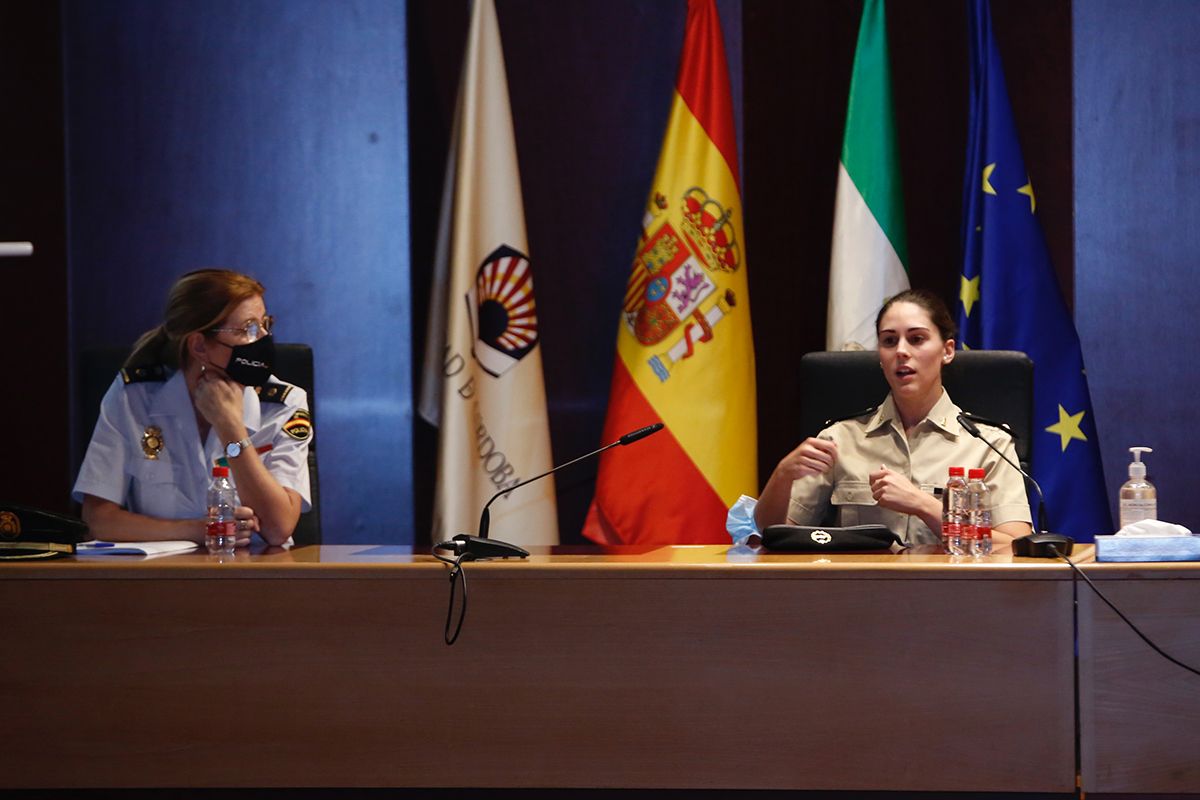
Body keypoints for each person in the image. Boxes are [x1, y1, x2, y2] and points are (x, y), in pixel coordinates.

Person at [754, 289, 1032, 547]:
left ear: (947, 351)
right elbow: (776, 534)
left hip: (954, 595)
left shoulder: (987, 444)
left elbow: (1013, 546)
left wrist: (925, 505)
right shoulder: (839, 440)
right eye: (889, 341)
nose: (901, 351)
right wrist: (782, 475)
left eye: (916, 339)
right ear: (880, 356)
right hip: (860, 594)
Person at [73, 269, 312, 547]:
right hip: (158, 581)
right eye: (247, 328)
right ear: (199, 345)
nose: (262, 339)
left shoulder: (284, 403)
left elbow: (277, 528)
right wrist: (197, 530)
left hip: (255, 580)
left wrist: (230, 428)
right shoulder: (134, 396)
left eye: (264, 325)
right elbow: (97, 519)